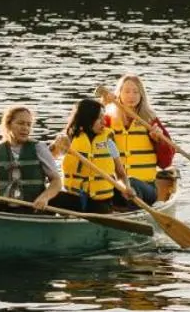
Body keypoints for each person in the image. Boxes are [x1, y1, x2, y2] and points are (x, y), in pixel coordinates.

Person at [100, 74, 177, 206]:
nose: (131, 96)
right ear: (119, 94)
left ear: (142, 95)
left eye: (136, 92)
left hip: (146, 187)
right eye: (127, 91)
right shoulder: (107, 120)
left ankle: (129, 215)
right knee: (107, 186)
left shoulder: (150, 121)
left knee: (131, 182)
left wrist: (159, 142)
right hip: (116, 185)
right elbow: (91, 138)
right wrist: (101, 105)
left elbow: (165, 163)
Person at [56, 97, 122, 211]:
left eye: (104, 117)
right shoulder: (69, 139)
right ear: (88, 119)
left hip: (100, 201)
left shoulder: (109, 141)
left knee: (101, 208)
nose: (104, 122)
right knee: (52, 198)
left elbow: (121, 173)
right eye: (99, 118)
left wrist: (126, 188)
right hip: (75, 197)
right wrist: (57, 145)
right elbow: (48, 156)